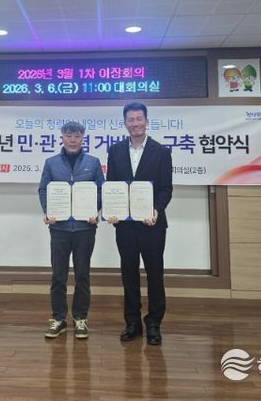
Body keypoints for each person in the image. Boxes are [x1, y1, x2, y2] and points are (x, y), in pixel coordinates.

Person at [106, 102, 173, 345]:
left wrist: (156, 210)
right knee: (129, 274)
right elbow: (111, 185)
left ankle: (154, 323)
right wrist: (111, 211)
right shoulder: (115, 151)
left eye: (139, 119)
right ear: (125, 123)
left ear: (146, 121)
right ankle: (132, 322)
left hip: (152, 224)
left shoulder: (161, 152)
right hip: (125, 226)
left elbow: (165, 189)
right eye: (130, 119)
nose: (135, 123)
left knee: (155, 274)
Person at [38, 121, 105, 339]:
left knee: (82, 275)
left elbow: (101, 190)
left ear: (83, 138)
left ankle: (80, 319)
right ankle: (58, 318)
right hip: (59, 228)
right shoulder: (51, 163)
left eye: (77, 136)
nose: (73, 140)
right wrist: (48, 211)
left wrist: (95, 210)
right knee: (58, 276)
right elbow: (43, 190)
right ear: (62, 137)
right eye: (68, 135)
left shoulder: (93, 163)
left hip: (85, 228)